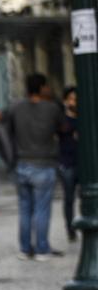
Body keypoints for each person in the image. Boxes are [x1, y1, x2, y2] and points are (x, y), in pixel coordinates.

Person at [0, 73, 65, 261]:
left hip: (21, 163)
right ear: (43, 87)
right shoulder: (52, 108)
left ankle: (25, 248)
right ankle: (42, 248)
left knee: (25, 208)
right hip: (44, 163)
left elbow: (3, 128)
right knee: (42, 209)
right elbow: (63, 128)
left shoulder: (15, 107)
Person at [59, 86, 79, 243]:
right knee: (69, 198)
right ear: (65, 100)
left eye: (76, 98)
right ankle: (70, 229)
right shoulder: (61, 119)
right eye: (71, 98)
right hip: (67, 163)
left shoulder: (84, 117)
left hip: (84, 164)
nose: (74, 102)